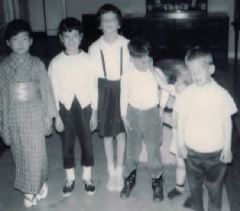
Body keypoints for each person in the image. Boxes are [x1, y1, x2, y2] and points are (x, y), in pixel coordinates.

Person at [0, 19, 57, 208]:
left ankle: (35, 188)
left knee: (37, 154)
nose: (21, 43)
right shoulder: (4, 67)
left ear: (31, 41)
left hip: (35, 113)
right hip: (14, 116)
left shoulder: (37, 64)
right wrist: (3, 126)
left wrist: (49, 115)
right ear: (8, 43)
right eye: (15, 39)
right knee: (20, 155)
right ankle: (33, 187)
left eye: (25, 39)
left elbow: (46, 90)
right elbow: (2, 98)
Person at [175, 47, 238, 211]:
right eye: (191, 71)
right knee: (194, 185)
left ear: (211, 69)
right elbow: (180, 119)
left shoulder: (221, 95)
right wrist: (180, 144)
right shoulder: (186, 94)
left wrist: (227, 147)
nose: (194, 75)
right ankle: (197, 207)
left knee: (214, 187)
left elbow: (227, 122)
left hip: (215, 153)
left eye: (198, 70)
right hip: (192, 152)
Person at [48, 17, 96, 197]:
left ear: (81, 37)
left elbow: (93, 86)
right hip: (65, 108)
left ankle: (87, 176)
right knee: (67, 143)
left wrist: (94, 112)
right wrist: (56, 116)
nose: (71, 41)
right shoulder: (55, 63)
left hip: (85, 106)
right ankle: (70, 177)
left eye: (75, 36)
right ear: (60, 38)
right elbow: (52, 90)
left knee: (87, 143)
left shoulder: (88, 60)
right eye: (66, 37)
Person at [120, 39, 171, 202]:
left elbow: (166, 89)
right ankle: (129, 177)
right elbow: (124, 95)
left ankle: (157, 180)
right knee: (131, 151)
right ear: (131, 59)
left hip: (152, 114)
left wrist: (161, 108)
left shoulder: (155, 72)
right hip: (133, 114)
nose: (144, 63)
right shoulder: (127, 75)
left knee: (153, 150)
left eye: (147, 59)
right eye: (139, 59)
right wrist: (123, 115)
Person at [88, 4, 130, 192]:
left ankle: (120, 170)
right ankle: (110, 170)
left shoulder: (127, 44)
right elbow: (92, 79)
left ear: (119, 23)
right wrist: (94, 108)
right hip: (104, 92)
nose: (109, 23)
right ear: (100, 25)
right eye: (105, 20)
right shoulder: (94, 48)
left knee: (121, 133)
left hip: (123, 90)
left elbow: (134, 73)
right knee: (106, 135)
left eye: (113, 19)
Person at [159, 61, 193, 207]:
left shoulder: (191, 99)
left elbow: (186, 123)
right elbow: (163, 85)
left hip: (190, 140)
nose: (175, 84)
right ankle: (179, 187)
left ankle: (194, 194)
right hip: (179, 138)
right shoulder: (178, 93)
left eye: (178, 82)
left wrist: (170, 121)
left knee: (191, 167)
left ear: (187, 86)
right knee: (180, 164)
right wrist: (153, 69)